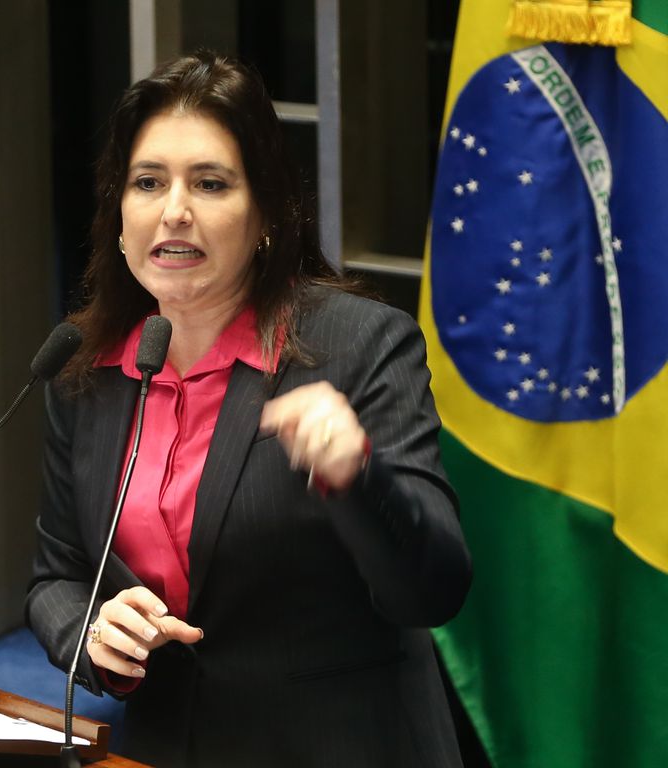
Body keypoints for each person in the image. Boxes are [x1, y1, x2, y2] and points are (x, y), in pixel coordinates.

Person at [26, 51, 472, 767]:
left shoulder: (362, 345)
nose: (174, 210)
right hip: (166, 745)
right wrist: (91, 634)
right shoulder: (89, 367)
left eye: (210, 183)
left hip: (341, 747)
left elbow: (432, 591)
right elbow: (56, 576)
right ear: (118, 215)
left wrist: (357, 476)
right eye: (148, 183)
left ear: (265, 213)